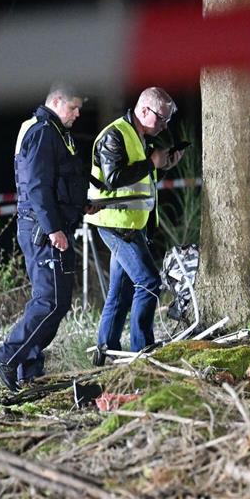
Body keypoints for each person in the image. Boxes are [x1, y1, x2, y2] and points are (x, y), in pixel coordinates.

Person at [0, 84, 98, 392]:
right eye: (73, 107)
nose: (77, 114)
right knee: (51, 301)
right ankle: (6, 357)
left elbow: (60, 181)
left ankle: (29, 369)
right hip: (43, 231)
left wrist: (80, 204)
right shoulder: (43, 132)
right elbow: (36, 186)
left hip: (51, 226)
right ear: (57, 101)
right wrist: (52, 229)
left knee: (54, 302)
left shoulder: (55, 132)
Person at [86, 87, 185, 364]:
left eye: (167, 120)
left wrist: (163, 166)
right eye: (162, 118)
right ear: (144, 110)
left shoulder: (139, 137)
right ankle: (142, 352)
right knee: (149, 282)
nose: (165, 125)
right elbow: (114, 178)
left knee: (121, 290)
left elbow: (139, 180)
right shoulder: (115, 135)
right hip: (115, 224)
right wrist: (151, 162)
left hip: (129, 223)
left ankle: (106, 352)